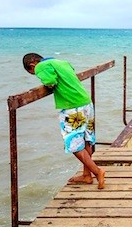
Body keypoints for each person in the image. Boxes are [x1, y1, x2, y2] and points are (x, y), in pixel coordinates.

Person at [22, 53, 105, 189]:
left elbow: (50, 82)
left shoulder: (41, 66)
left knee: (72, 143)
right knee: (85, 140)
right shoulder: (62, 62)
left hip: (72, 107)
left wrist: (47, 83)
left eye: (32, 72)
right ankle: (86, 175)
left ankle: (97, 172)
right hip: (86, 103)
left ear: (32, 65)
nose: (36, 73)